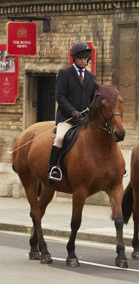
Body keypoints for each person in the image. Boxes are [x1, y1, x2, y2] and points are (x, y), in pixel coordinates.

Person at [49, 40, 98, 182]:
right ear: (74, 58)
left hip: (85, 119)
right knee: (59, 138)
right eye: (80, 58)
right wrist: (72, 112)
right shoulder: (65, 73)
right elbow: (60, 97)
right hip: (67, 119)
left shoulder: (91, 77)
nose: (83, 61)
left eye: (85, 58)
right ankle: (53, 168)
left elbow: (92, 98)